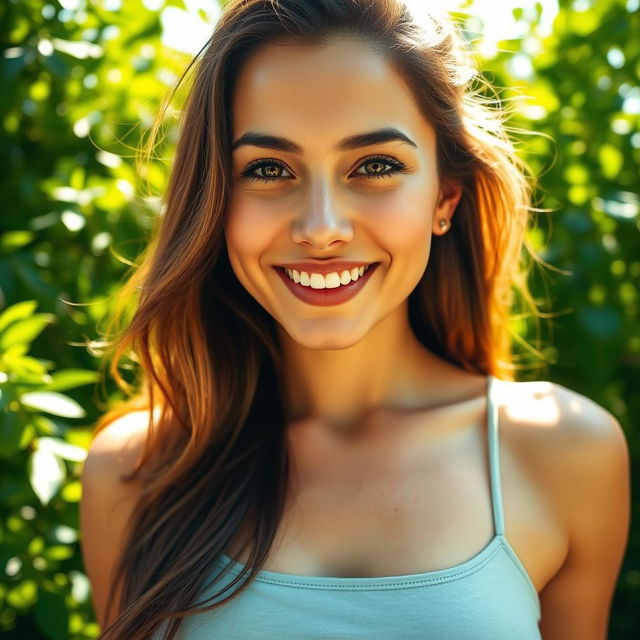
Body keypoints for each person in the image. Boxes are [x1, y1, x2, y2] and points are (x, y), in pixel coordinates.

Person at [79, 1, 631, 639]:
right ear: (216, 202)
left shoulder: (564, 454)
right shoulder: (135, 473)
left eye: (374, 166)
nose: (321, 229)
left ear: (444, 198)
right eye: (268, 169)